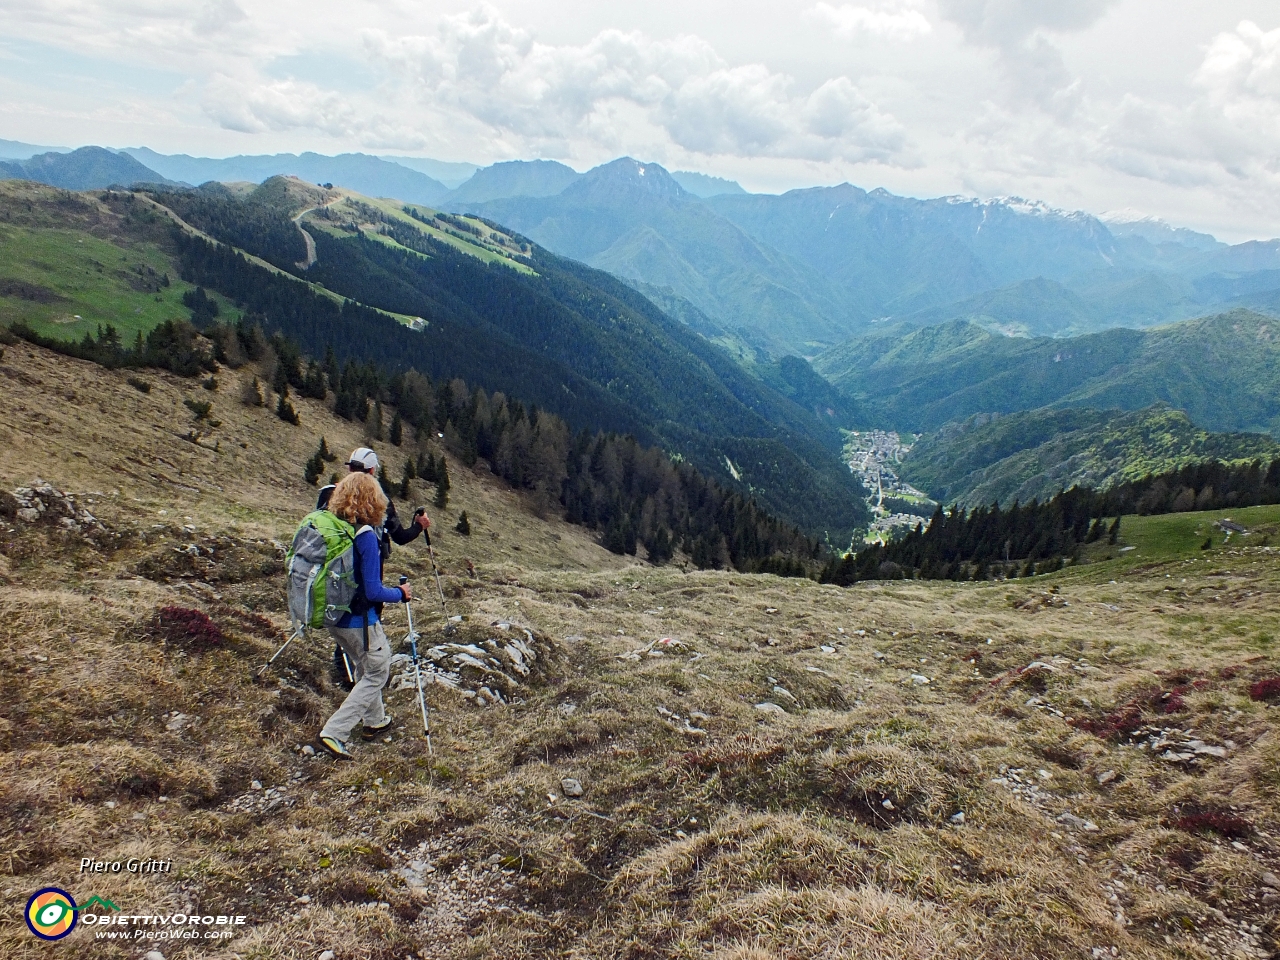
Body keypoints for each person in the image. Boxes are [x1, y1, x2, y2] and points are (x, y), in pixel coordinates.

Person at [317, 471, 411, 760]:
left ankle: (375, 721)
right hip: (359, 619)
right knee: (378, 672)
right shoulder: (366, 535)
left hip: (333, 617)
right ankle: (335, 731)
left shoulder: (333, 526)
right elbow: (372, 591)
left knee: (363, 665)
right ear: (374, 500)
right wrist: (400, 593)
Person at [319, 447, 430, 686]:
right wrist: (419, 526)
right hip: (368, 569)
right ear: (371, 470)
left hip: (330, 572)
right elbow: (399, 536)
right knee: (366, 618)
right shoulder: (378, 501)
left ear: (350, 468)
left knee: (340, 615)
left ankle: (343, 670)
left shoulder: (331, 494)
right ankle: (360, 674)